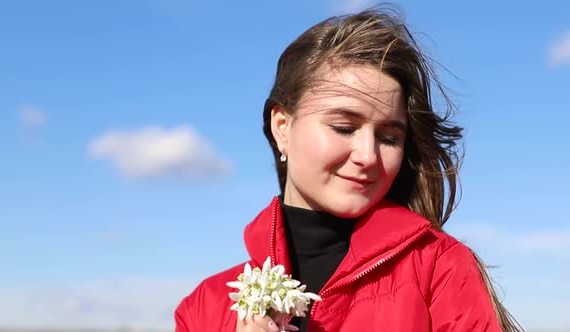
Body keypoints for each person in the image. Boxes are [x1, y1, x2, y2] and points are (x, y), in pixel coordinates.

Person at [175, 7, 523, 332]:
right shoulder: (205, 307)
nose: (367, 156)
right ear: (282, 126)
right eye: (344, 127)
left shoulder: (439, 269)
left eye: (388, 138)